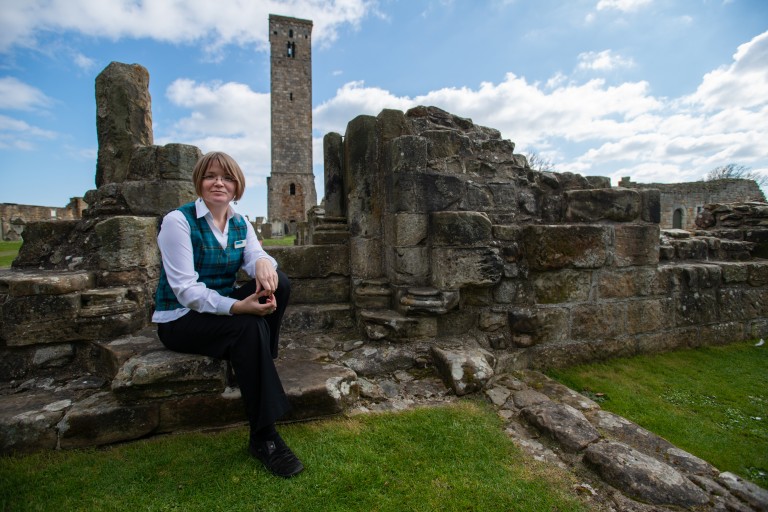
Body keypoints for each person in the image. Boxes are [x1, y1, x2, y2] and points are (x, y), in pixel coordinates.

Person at [152, 151, 303, 478]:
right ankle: (265, 438)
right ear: (199, 182)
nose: (219, 182)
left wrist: (265, 263)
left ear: (237, 185)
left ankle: (259, 360)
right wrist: (237, 306)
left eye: (227, 177)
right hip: (180, 318)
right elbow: (187, 292)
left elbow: (255, 257)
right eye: (211, 176)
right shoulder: (178, 222)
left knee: (282, 285)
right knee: (247, 327)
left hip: (216, 307)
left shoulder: (239, 222)